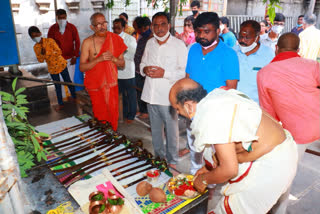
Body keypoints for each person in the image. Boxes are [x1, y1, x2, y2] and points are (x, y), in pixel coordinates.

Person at [169, 78, 298, 214]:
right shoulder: (217, 96)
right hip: (278, 150)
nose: (177, 113)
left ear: (188, 105)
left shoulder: (211, 115)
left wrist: (203, 179)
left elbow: (229, 170)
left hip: (273, 165)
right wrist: (208, 168)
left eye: (177, 109)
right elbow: (231, 143)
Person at [257, 32, 320, 213]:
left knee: (285, 173)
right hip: (316, 124)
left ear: (276, 48)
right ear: (298, 50)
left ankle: (279, 209)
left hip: (298, 133)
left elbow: (269, 115)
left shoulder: (264, 73)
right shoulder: (313, 65)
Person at [185, 12, 239, 174]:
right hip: (193, 111)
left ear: (217, 30)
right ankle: (196, 177)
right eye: (198, 31)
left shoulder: (229, 54)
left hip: (215, 114)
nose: (201, 36)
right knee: (195, 149)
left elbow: (231, 88)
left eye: (206, 31)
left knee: (213, 155)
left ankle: (211, 184)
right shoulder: (193, 49)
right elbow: (187, 77)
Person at [140, 12, 187, 168]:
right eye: (156, 25)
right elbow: (142, 64)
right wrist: (144, 69)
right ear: (152, 26)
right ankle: (159, 158)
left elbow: (184, 72)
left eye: (162, 24)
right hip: (150, 95)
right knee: (155, 131)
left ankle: (172, 161)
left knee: (171, 132)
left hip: (168, 97)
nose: (159, 28)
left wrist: (164, 73)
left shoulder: (178, 45)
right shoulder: (149, 43)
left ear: (169, 25)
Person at [79, 13, 127, 131]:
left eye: (104, 23)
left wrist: (113, 59)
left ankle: (113, 136)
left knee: (113, 114)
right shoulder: (87, 43)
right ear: (92, 27)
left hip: (111, 85)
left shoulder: (115, 39)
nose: (102, 26)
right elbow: (82, 67)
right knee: (100, 116)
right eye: (98, 24)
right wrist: (98, 59)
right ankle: (103, 137)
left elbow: (122, 64)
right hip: (96, 86)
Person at [28, 26, 76, 110]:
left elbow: (59, 51)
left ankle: (74, 97)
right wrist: (42, 54)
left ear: (40, 33)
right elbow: (40, 60)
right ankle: (60, 104)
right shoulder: (36, 47)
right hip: (52, 69)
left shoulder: (50, 41)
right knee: (57, 86)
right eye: (33, 37)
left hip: (61, 64)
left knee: (68, 81)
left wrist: (46, 52)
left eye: (36, 35)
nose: (35, 38)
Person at [234, 20, 274, 104]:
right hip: (233, 103)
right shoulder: (232, 52)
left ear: (257, 38)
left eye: (247, 38)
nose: (243, 40)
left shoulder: (269, 55)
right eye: (240, 36)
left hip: (256, 106)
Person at [48, 9, 80, 99]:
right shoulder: (52, 29)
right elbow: (49, 44)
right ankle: (63, 97)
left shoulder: (72, 27)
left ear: (66, 17)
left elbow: (77, 42)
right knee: (61, 80)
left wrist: (75, 56)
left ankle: (71, 96)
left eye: (63, 17)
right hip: (58, 59)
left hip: (70, 58)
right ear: (57, 18)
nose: (62, 19)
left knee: (70, 79)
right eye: (60, 18)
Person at [113, 18, 137, 124]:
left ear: (123, 27)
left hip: (128, 72)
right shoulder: (112, 38)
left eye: (118, 27)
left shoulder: (130, 39)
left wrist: (117, 55)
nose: (116, 29)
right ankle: (122, 113)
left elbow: (132, 55)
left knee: (130, 95)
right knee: (120, 96)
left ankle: (131, 115)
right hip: (116, 73)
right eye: (114, 27)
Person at [134, 17, 152, 119]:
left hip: (146, 70)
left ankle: (146, 112)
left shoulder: (152, 38)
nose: (137, 31)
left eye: (139, 29)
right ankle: (141, 110)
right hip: (138, 68)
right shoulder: (141, 36)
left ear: (147, 27)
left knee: (145, 91)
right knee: (138, 91)